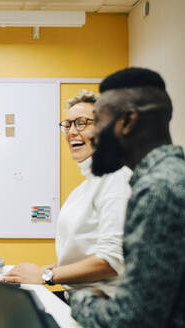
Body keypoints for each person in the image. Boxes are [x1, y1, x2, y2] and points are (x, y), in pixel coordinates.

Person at [70, 68, 185, 327]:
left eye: (97, 121)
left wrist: (82, 298)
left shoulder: (159, 190)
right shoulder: (169, 177)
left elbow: (132, 319)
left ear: (128, 121)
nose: (92, 134)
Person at [2, 90, 132, 301]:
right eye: (68, 124)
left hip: (104, 307)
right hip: (77, 298)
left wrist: (45, 275)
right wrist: (36, 272)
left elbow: (112, 261)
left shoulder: (116, 180)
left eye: (81, 123)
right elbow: (80, 258)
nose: (71, 131)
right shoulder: (84, 188)